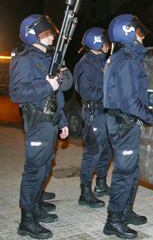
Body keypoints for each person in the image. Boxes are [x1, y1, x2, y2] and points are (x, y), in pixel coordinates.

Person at [9, 14, 69, 239]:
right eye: (45, 33)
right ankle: (26, 220)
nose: (51, 36)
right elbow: (16, 93)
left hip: (50, 121)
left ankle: (35, 206)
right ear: (31, 35)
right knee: (34, 171)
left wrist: (62, 121)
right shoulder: (24, 59)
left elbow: (56, 97)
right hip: (37, 123)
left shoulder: (45, 57)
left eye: (50, 32)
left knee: (44, 167)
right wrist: (47, 85)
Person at [103, 14, 153, 239]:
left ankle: (125, 212)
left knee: (131, 171)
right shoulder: (127, 60)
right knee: (124, 173)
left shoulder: (124, 58)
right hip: (124, 123)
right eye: (139, 31)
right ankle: (113, 221)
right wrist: (150, 116)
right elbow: (129, 101)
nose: (143, 35)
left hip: (123, 122)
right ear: (128, 33)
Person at [73, 27, 113, 208]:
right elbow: (87, 92)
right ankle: (85, 193)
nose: (109, 44)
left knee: (107, 150)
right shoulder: (85, 64)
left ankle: (101, 184)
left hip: (105, 113)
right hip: (93, 113)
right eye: (106, 41)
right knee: (93, 153)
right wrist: (110, 93)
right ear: (98, 42)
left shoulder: (103, 60)